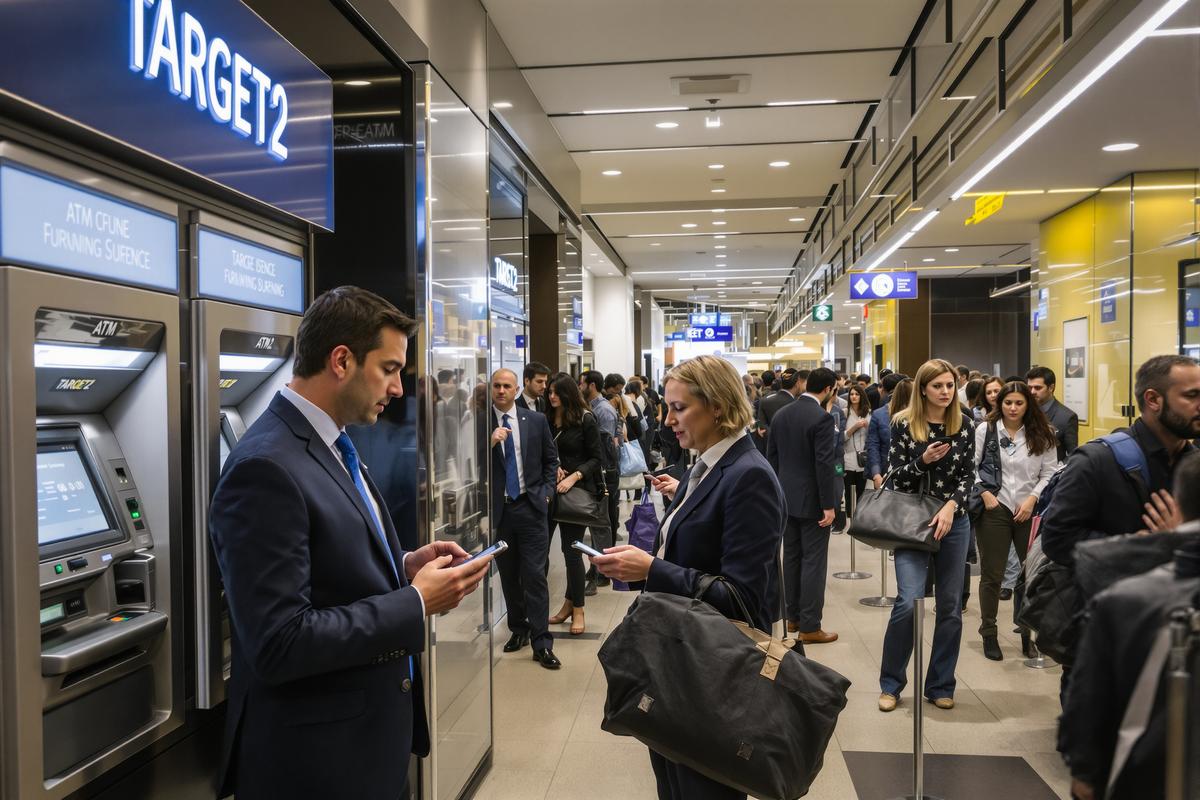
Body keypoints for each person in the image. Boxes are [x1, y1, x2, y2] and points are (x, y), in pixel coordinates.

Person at [209, 287, 492, 800]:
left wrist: (404, 565)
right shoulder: (264, 468)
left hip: (362, 746)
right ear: (341, 360)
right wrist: (414, 601)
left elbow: (330, 565)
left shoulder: (331, 442)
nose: (399, 389)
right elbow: (278, 642)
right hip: (317, 765)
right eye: (388, 369)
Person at [590, 355, 787, 800]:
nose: (668, 420)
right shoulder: (707, 467)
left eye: (679, 408)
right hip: (682, 665)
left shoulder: (749, 475)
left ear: (717, 405)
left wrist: (652, 569)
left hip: (713, 675)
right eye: (667, 407)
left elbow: (744, 601)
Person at [1058, 452, 1200, 800]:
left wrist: (1086, 770)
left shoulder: (1124, 599)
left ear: (1178, 507)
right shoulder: (1096, 461)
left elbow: (1090, 698)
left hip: (1145, 771)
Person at [1039, 355, 1200, 568]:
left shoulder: (1194, 465)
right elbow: (1057, 540)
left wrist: (1182, 538)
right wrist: (1138, 545)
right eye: (1192, 395)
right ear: (1153, 400)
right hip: (1109, 597)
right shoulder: (1096, 461)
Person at [878, 359, 975, 713]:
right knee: (908, 600)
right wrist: (924, 462)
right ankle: (891, 683)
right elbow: (896, 477)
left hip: (954, 521)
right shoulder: (904, 424)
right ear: (922, 389)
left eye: (950, 385)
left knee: (950, 606)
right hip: (912, 520)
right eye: (938, 386)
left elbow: (969, 476)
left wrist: (951, 507)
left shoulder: (965, 424)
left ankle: (940, 684)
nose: (946, 392)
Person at [972, 381, 1058, 661]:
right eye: (1008, 402)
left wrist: (1033, 499)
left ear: (1028, 405)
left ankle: (1026, 634)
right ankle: (989, 633)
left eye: (1019, 403)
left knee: (1028, 576)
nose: (1012, 408)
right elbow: (970, 467)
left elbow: (1049, 474)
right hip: (995, 507)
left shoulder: (1043, 433)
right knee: (992, 575)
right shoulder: (986, 429)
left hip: (1027, 511)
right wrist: (984, 493)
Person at [487, 368, 562, 669]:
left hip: (530, 508)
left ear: (517, 389)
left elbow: (550, 459)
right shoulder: (482, 424)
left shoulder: (535, 420)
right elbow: (470, 463)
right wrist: (489, 442)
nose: (501, 391)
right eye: (496, 386)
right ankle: (518, 629)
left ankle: (541, 641)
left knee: (534, 574)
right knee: (508, 574)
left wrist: (545, 493)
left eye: (507, 386)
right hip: (500, 511)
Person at [767, 367, 841, 644]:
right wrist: (829, 504)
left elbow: (771, 458)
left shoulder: (781, 414)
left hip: (785, 497)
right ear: (829, 388)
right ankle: (811, 625)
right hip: (813, 500)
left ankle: (793, 616)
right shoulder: (821, 418)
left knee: (792, 557)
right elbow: (823, 464)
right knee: (814, 561)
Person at [546, 373, 604, 635]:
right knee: (542, 553)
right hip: (548, 492)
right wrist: (555, 466)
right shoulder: (546, 418)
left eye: (557, 392)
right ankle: (568, 604)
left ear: (568, 393)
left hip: (576, 492)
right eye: (549, 392)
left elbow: (596, 459)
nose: (552, 396)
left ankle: (578, 608)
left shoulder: (585, 418)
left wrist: (573, 476)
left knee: (571, 553)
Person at [580, 369, 621, 581]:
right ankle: (598, 568)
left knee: (602, 522)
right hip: (601, 472)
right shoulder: (596, 408)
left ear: (592, 385)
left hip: (604, 473)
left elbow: (606, 447)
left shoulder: (602, 411)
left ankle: (603, 571)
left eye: (582, 384)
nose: (580, 388)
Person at [1026, 366, 1079, 462]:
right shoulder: (1023, 411)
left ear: (1051, 388)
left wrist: (1058, 471)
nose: (1032, 392)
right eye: (1029, 387)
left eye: (1038, 388)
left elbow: (1073, 454)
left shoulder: (1067, 417)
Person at [867, 374, 911, 490]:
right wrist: (876, 474)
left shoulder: (915, 414)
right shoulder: (879, 414)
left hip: (910, 473)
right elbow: (873, 445)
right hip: (885, 473)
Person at [843, 384, 871, 520]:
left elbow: (873, 436)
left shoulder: (869, 413)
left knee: (861, 490)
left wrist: (868, 426)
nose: (854, 396)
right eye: (852, 394)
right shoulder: (844, 412)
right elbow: (840, 438)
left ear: (861, 396)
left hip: (863, 458)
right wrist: (854, 427)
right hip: (847, 457)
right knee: (848, 490)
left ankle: (860, 517)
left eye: (857, 394)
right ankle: (849, 516)